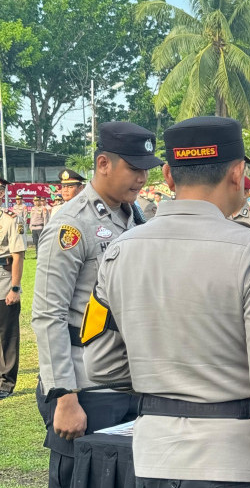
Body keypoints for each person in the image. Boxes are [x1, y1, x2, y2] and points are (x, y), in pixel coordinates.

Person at [81, 116, 250, 488]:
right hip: (231, 457)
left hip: (154, 453)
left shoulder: (120, 251)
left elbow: (100, 362)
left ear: (168, 175)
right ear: (237, 173)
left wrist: (164, 380)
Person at [31, 121, 162, 488]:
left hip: (127, 379)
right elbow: (48, 314)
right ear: (103, 164)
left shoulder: (134, 215)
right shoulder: (71, 225)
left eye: (145, 170)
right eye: (133, 168)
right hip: (85, 385)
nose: (141, 178)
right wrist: (64, 396)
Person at [0, 177, 27, 400]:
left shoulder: (10, 220)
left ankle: (5, 382)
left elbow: (18, 255)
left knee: (6, 336)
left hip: (3, 281)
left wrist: (15, 288)